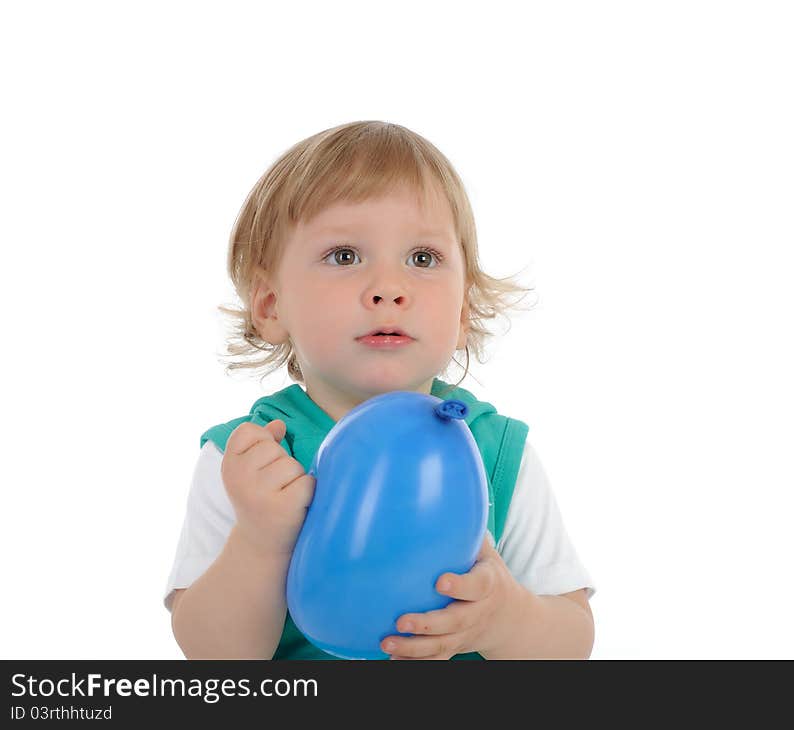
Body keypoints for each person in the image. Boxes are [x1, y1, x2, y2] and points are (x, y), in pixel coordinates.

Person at [164, 120, 596, 660]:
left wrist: (507, 620)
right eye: (345, 255)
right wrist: (259, 540)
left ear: (462, 311)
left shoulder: (497, 454)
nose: (389, 289)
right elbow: (214, 658)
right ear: (271, 306)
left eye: (423, 259)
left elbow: (573, 641)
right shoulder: (250, 458)